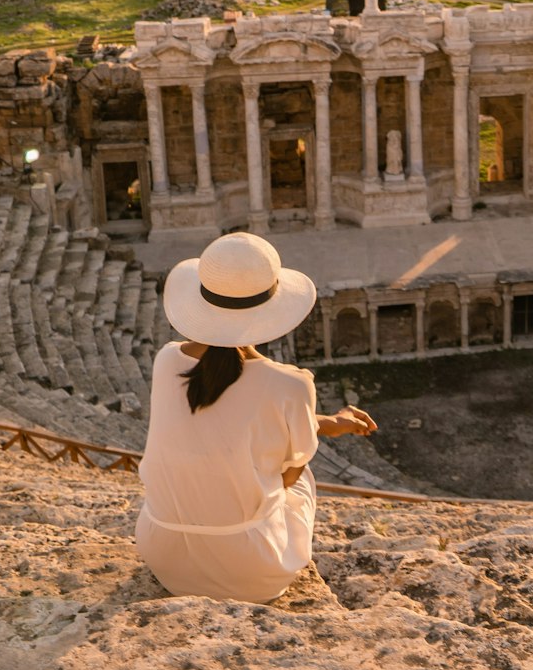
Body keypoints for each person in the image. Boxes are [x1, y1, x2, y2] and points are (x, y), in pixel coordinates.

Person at [135, 231, 376, 602]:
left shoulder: (166, 360)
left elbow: (224, 418)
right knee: (301, 473)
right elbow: (285, 474)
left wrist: (326, 421)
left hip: (164, 556)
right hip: (249, 570)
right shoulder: (290, 384)